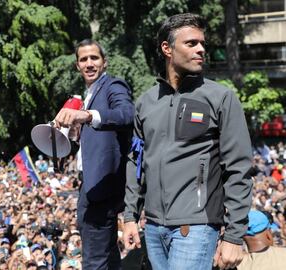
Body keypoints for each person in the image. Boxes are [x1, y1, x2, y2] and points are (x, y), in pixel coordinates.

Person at [123, 13, 253, 270]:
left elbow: (238, 168)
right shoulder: (146, 102)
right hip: (153, 229)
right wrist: (129, 216)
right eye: (191, 43)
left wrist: (234, 235)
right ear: (167, 49)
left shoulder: (221, 98)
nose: (201, 49)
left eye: (202, 43)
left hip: (196, 228)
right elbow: (135, 162)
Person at [54, 39, 134, 269]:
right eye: (83, 59)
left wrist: (87, 116)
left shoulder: (113, 85)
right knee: (107, 258)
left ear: (104, 62)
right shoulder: (88, 95)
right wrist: (73, 134)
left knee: (94, 262)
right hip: (90, 185)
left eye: (94, 58)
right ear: (77, 66)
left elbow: (127, 114)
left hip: (102, 188)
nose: (89, 63)